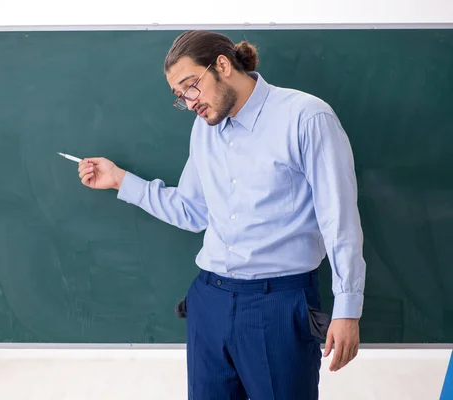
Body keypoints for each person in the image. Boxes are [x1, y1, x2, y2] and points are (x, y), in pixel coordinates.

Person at [77, 30, 366, 400]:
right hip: (209, 301)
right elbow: (191, 210)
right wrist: (119, 180)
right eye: (180, 96)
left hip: (278, 304)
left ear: (223, 66)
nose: (189, 101)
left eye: (190, 86)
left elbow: (338, 219)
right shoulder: (205, 129)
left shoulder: (306, 117)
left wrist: (348, 309)